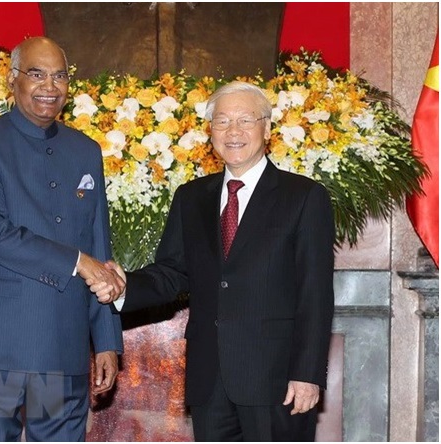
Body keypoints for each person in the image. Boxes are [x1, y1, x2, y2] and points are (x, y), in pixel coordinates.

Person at [91, 82, 335, 441]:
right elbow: (172, 273)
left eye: (245, 120)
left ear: (267, 128)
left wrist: (307, 373)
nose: (233, 131)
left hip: (277, 379)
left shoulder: (303, 196)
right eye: (222, 121)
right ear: (210, 132)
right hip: (210, 381)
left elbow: (315, 293)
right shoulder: (191, 197)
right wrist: (125, 285)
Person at [0, 37, 125, 442]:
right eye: (37, 74)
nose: (49, 86)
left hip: (62, 345)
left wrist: (106, 341)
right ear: (13, 79)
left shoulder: (85, 151)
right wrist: (78, 261)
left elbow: (99, 249)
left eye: (59, 76)